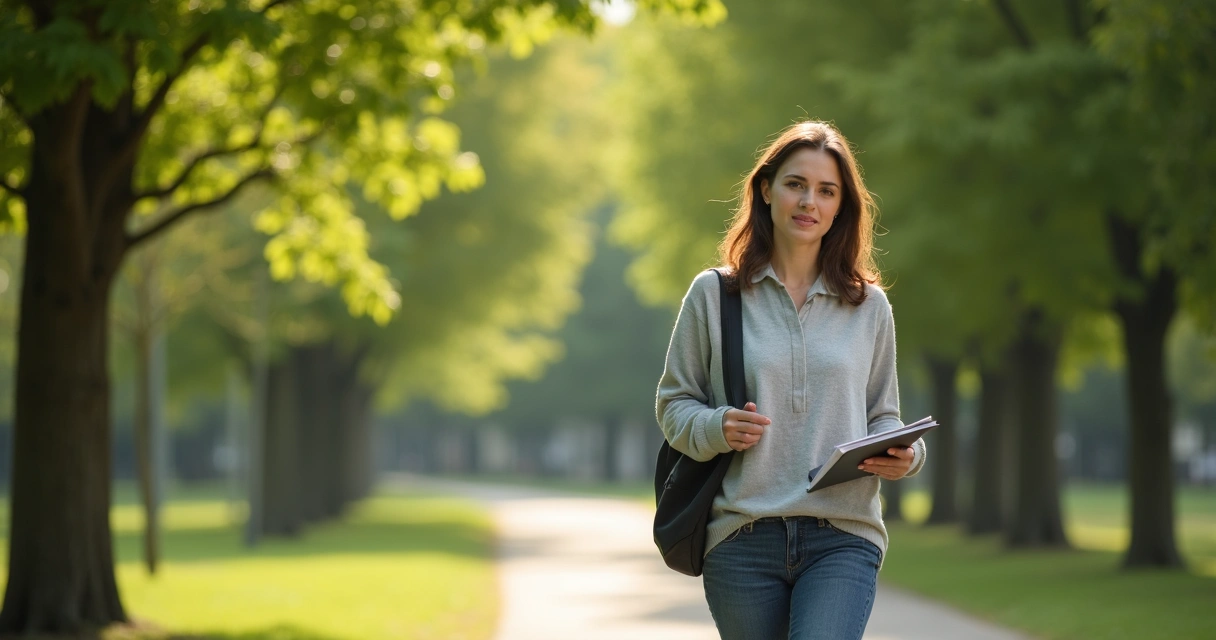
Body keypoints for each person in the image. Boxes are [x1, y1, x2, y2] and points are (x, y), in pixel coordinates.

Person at [655, 120, 927, 640]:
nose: (810, 202)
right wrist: (717, 427)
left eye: (827, 191)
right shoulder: (715, 295)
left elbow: (883, 414)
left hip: (843, 535)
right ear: (766, 189)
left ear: (841, 207)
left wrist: (907, 456)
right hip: (741, 536)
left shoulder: (869, 305)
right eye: (796, 184)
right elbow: (674, 404)